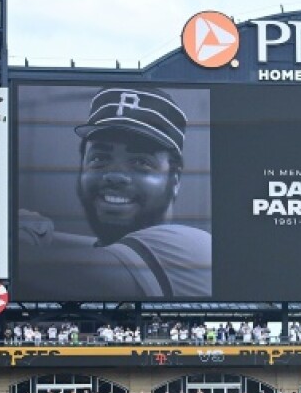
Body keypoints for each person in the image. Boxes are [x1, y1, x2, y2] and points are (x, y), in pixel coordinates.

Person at [17, 87, 211, 299]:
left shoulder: (189, 247)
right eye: (100, 158)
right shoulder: (102, 250)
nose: (115, 176)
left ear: (175, 179)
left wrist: (15, 238)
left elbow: (37, 273)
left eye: (141, 162)